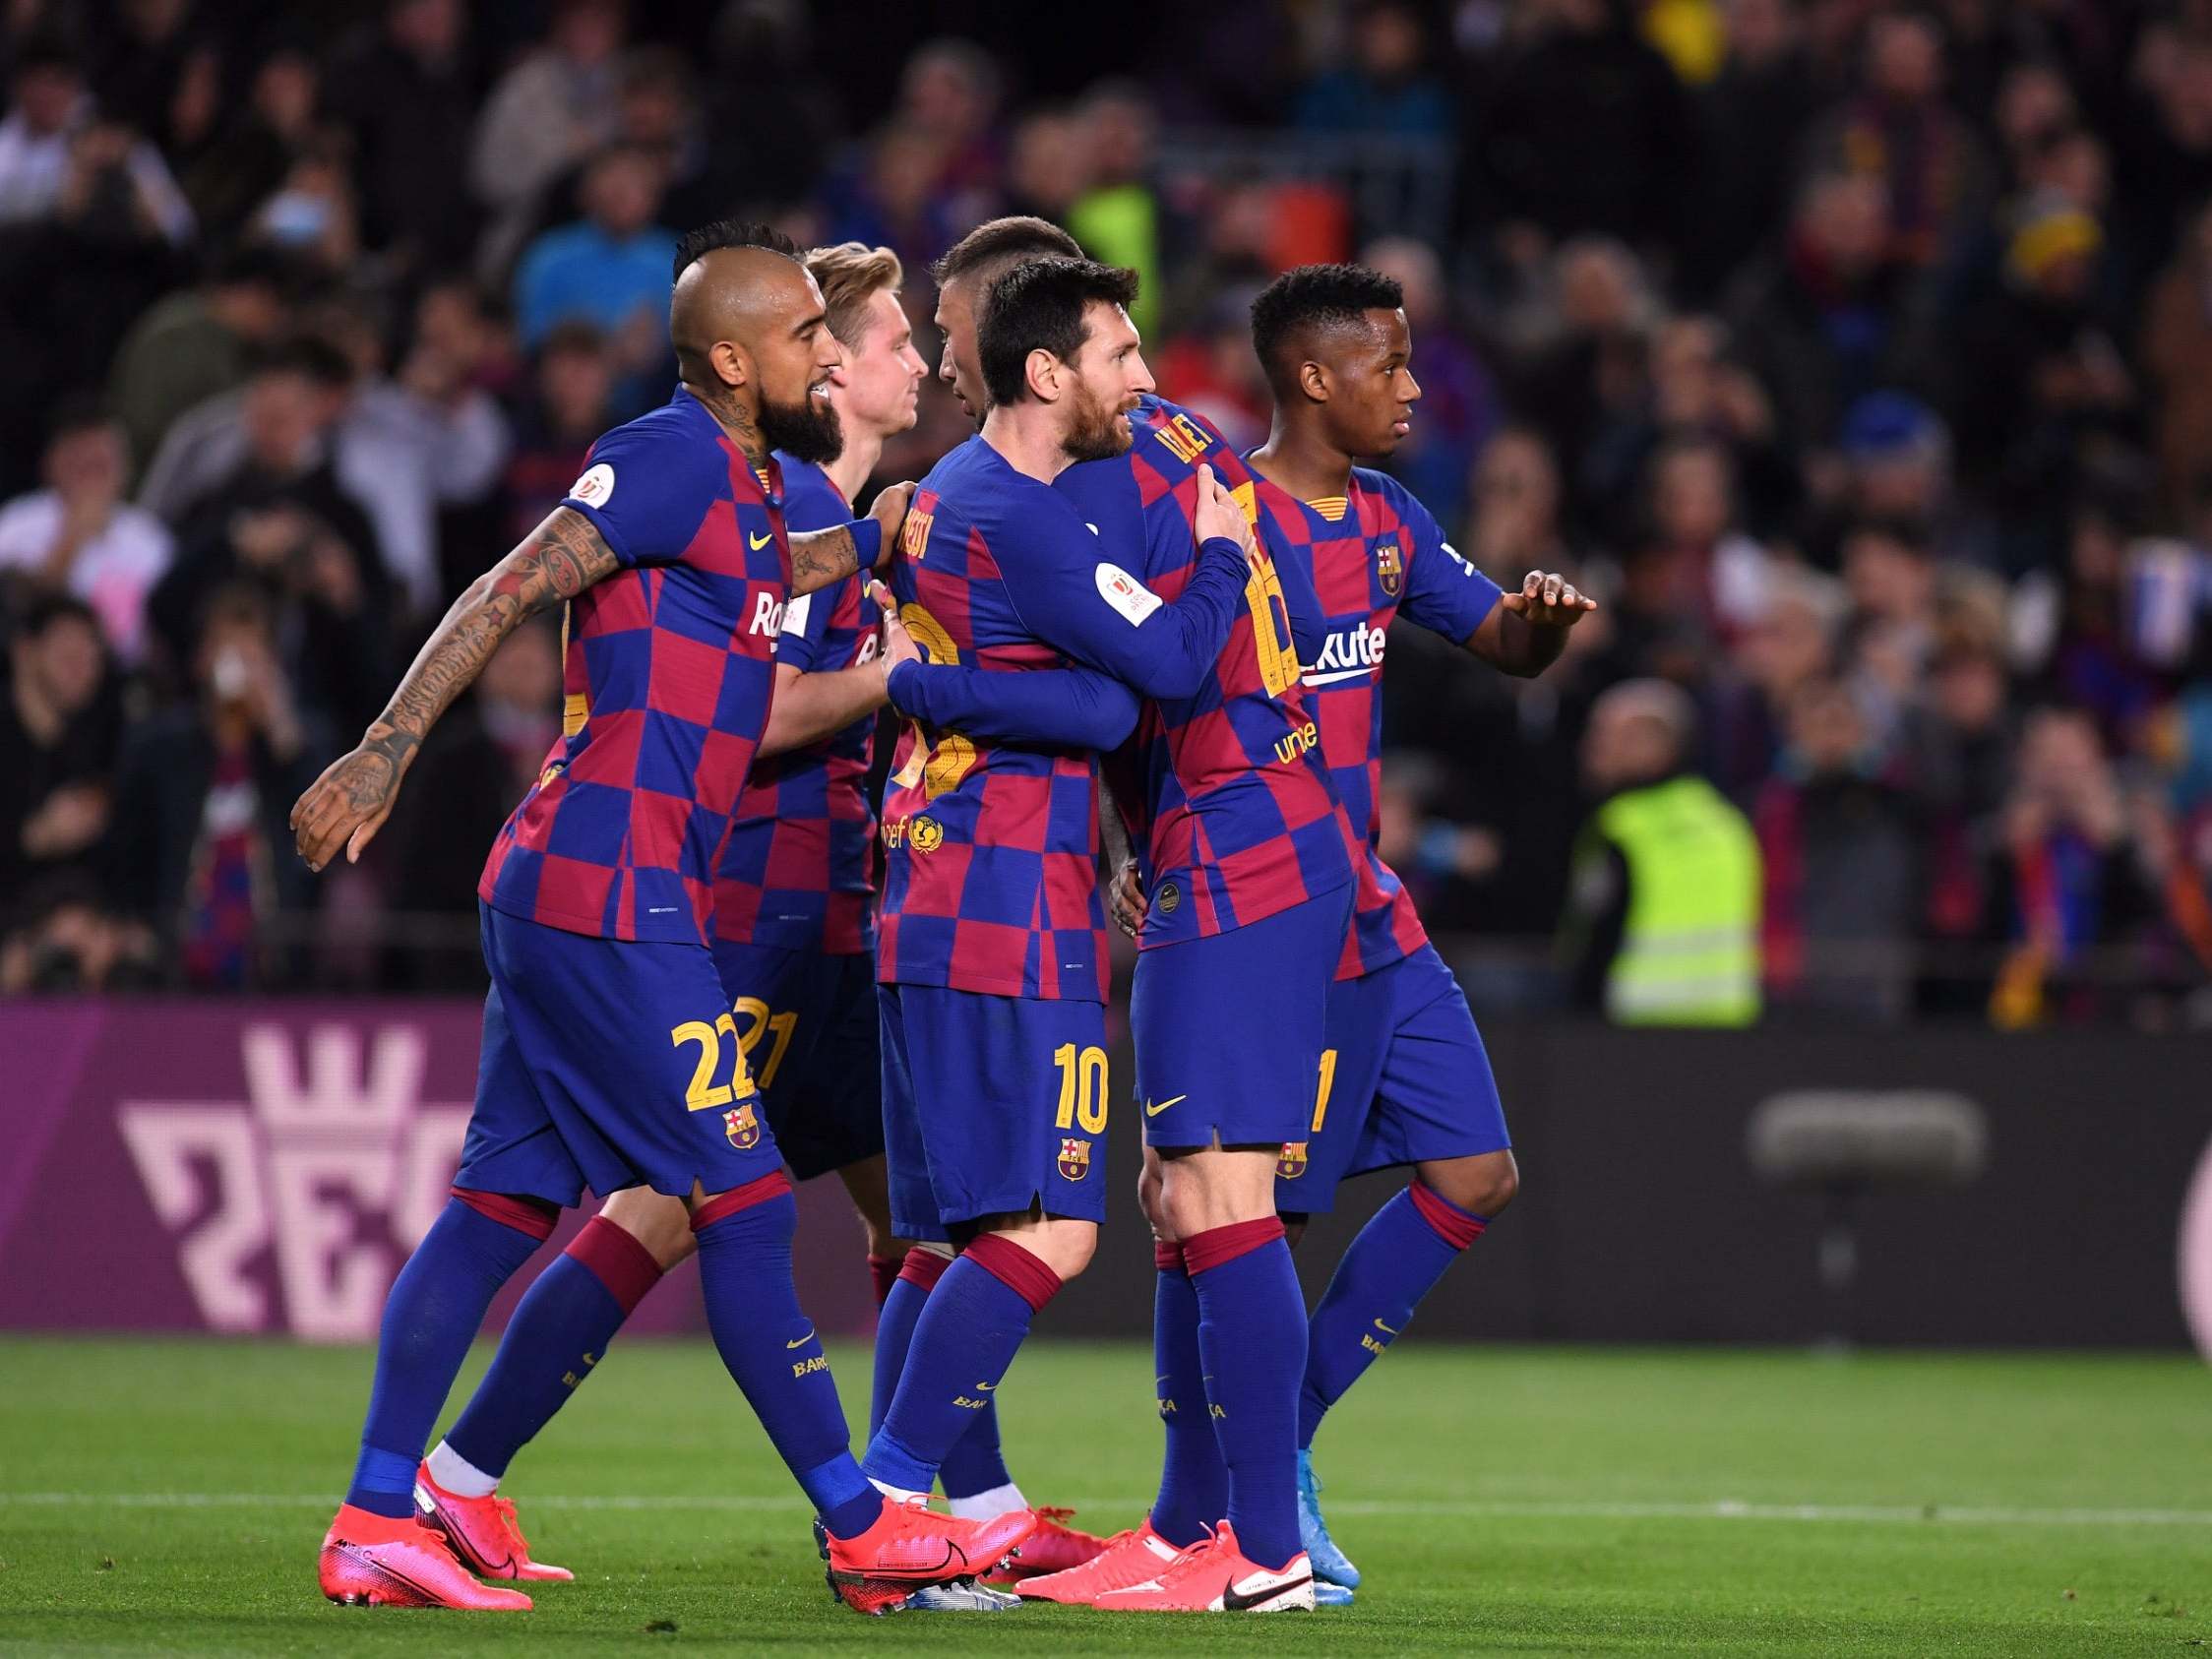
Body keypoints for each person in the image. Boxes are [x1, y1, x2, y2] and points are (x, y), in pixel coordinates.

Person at [289, 218, 1028, 1615]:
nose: (830, 350)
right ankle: (859, 1518)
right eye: (812, 335)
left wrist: (936, 537)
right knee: (741, 1199)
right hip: (610, 888)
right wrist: (383, 744)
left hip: (600, 887)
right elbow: (512, 582)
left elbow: (813, 574)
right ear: (739, 359)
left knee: (503, 1202)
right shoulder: (667, 453)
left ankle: (387, 1510)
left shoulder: (755, 500)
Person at [1067, 264, 1588, 1603]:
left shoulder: (1394, 521)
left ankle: (1276, 1439)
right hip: (1245, 898)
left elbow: (1500, 646)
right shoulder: (1210, 513)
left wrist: (1536, 628)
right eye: (1388, 365)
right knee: (1232, 1211)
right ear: (1313, 375)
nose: (1414, 388)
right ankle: (1229, 1508)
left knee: (1475, 1170)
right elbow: (1139, 695)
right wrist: (1136, 842)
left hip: (1360, 902)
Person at [868, 247, 1307, 1608]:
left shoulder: (944, 496)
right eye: (1122, 355)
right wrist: (1226, 562)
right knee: (1055, 1231)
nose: (1146, 379)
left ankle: (966, 1515)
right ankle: (880, 1502)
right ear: (1050, 370)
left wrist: (943, 686)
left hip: (929, 893)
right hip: (1008, 903)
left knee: (944, 1239)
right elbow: (1157, 677)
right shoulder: (1029, 512)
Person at [109, 583, 321, 988]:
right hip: (173, 967)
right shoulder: (158, 747)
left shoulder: (299, 745)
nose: (239, 664)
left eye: (252, 649)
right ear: (201, 660)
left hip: (274, 969)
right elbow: (127, 850)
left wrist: (281, 729)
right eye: (227, 648)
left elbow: (323, 843)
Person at [1561, 678, 1762, 1025]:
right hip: (1729, 1023)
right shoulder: (1725, 820)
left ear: (1656, 743)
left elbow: (1596, 935)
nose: (1592, 748)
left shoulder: (1620, 825)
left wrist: (1576, 1011)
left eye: (1607, 735)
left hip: (1635, 1021)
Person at [0, 399, 171, 663]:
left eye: (101, 464)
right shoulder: (17, 525)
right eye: (82, 466)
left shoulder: (149, 537)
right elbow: (16, 615)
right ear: (52, 464)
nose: (92, 479)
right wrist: (71, 542)